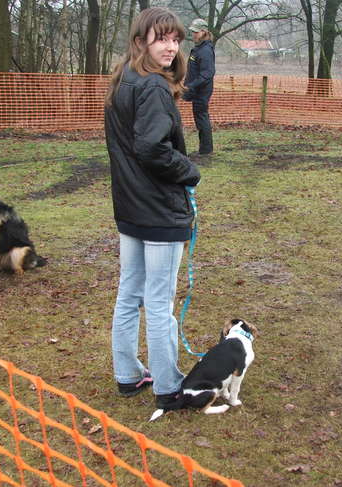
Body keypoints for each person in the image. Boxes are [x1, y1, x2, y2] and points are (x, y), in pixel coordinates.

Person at [104, 7, 201, 409]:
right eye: (162, 38)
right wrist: (189, 171)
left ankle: (128, 375)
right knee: (158, 301)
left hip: (131, 207)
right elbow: (151, 148)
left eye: (176, 39)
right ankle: (168, 386)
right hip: (158, 210)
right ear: (141, 40)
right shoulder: (153, 87)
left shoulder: (124, 78)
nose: (171, 46)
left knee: (130, 293)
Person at [183, 18, 215, 156]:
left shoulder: (205, 50)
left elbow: (207, 73)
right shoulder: (199, 48)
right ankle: (205, 149)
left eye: (196, 32)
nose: (194, 35)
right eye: (192, 32)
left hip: (202, 91)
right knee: (200, 119)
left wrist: (191, 85)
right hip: (197, 90)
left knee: (202, 119)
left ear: (204, 32)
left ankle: (205, 150)